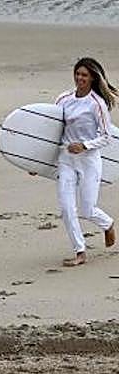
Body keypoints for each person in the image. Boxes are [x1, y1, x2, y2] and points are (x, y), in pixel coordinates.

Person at [53, 58, 117, 266]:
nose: (80, 78)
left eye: (84, 75)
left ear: (92, 78)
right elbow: (51, 130)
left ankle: (107, 224)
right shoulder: (63, 99)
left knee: (87, 209)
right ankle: (79, 251)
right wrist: (37, 162)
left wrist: (85, 145)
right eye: (77, 73)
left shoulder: (97, 104)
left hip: (89, 160)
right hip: (66, 159)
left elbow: (107, 137)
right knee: (66, 208)